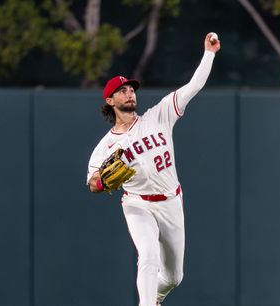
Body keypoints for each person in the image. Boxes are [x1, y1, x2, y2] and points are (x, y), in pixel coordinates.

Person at [86, 32, 220, 306]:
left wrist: (209, 54)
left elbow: (193, 86)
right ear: (110, 101)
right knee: (147, 254)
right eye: (122, 90)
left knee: (173, 278)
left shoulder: (159, 116)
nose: (129, 92)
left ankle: (155, 297)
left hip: (171, 200)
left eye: (131, 89)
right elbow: (92, 182)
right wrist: (101, 183)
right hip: (137, 204)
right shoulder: (106, 146)